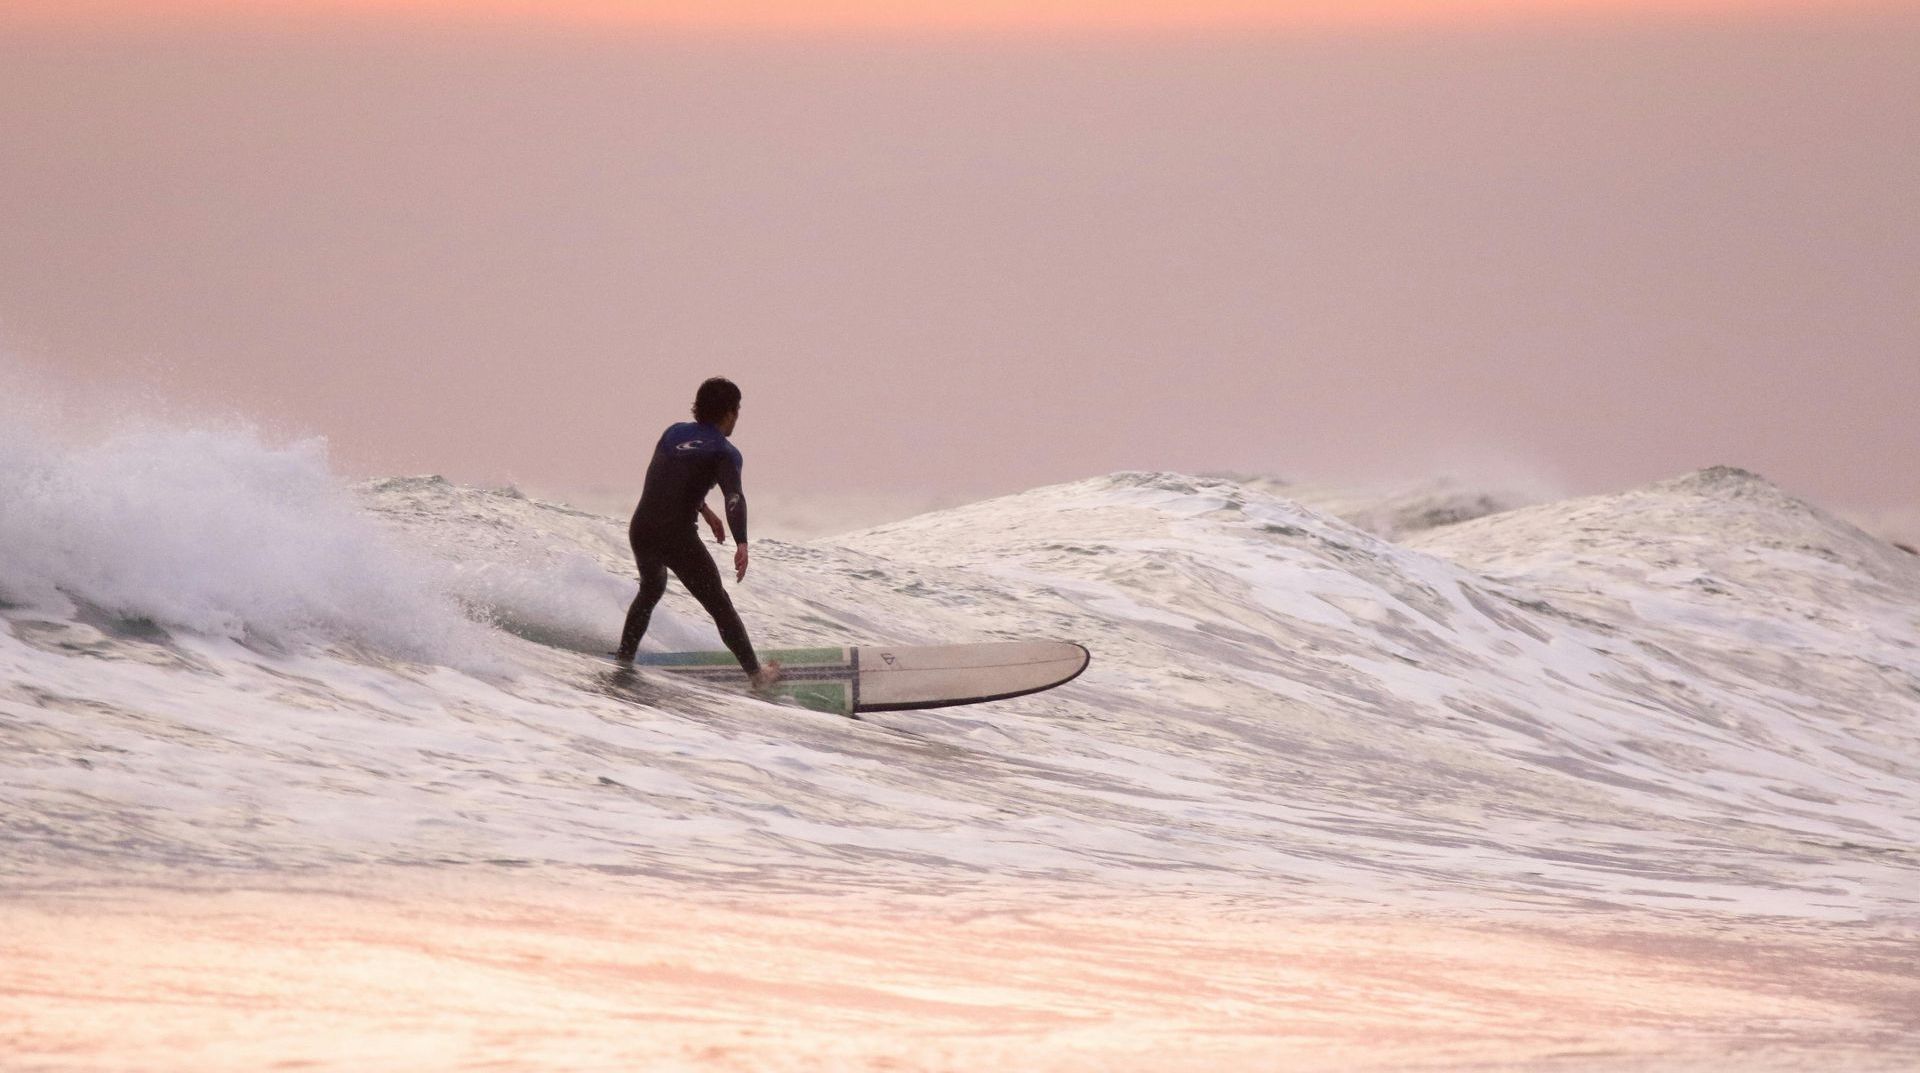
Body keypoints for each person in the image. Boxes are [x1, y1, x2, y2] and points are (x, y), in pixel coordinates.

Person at [615, 377, 781, 690]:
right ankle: (758, 677)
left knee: (651, 589)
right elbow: (734, 497)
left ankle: (624, 660)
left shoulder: (673, 433)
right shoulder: (724, 451)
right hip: (675, 536)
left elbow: (671, 479)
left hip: (642, 527)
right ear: (730, 413)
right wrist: (742, 541)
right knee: (719, 605)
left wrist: (703, 511)